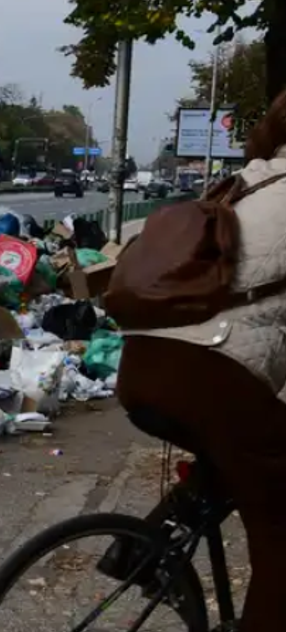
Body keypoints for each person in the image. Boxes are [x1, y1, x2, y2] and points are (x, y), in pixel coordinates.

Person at [117, 89, 286, 632]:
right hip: (211, 371)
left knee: (239, 452)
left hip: (140, 363)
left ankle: (141, 550)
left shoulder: (247, 184)